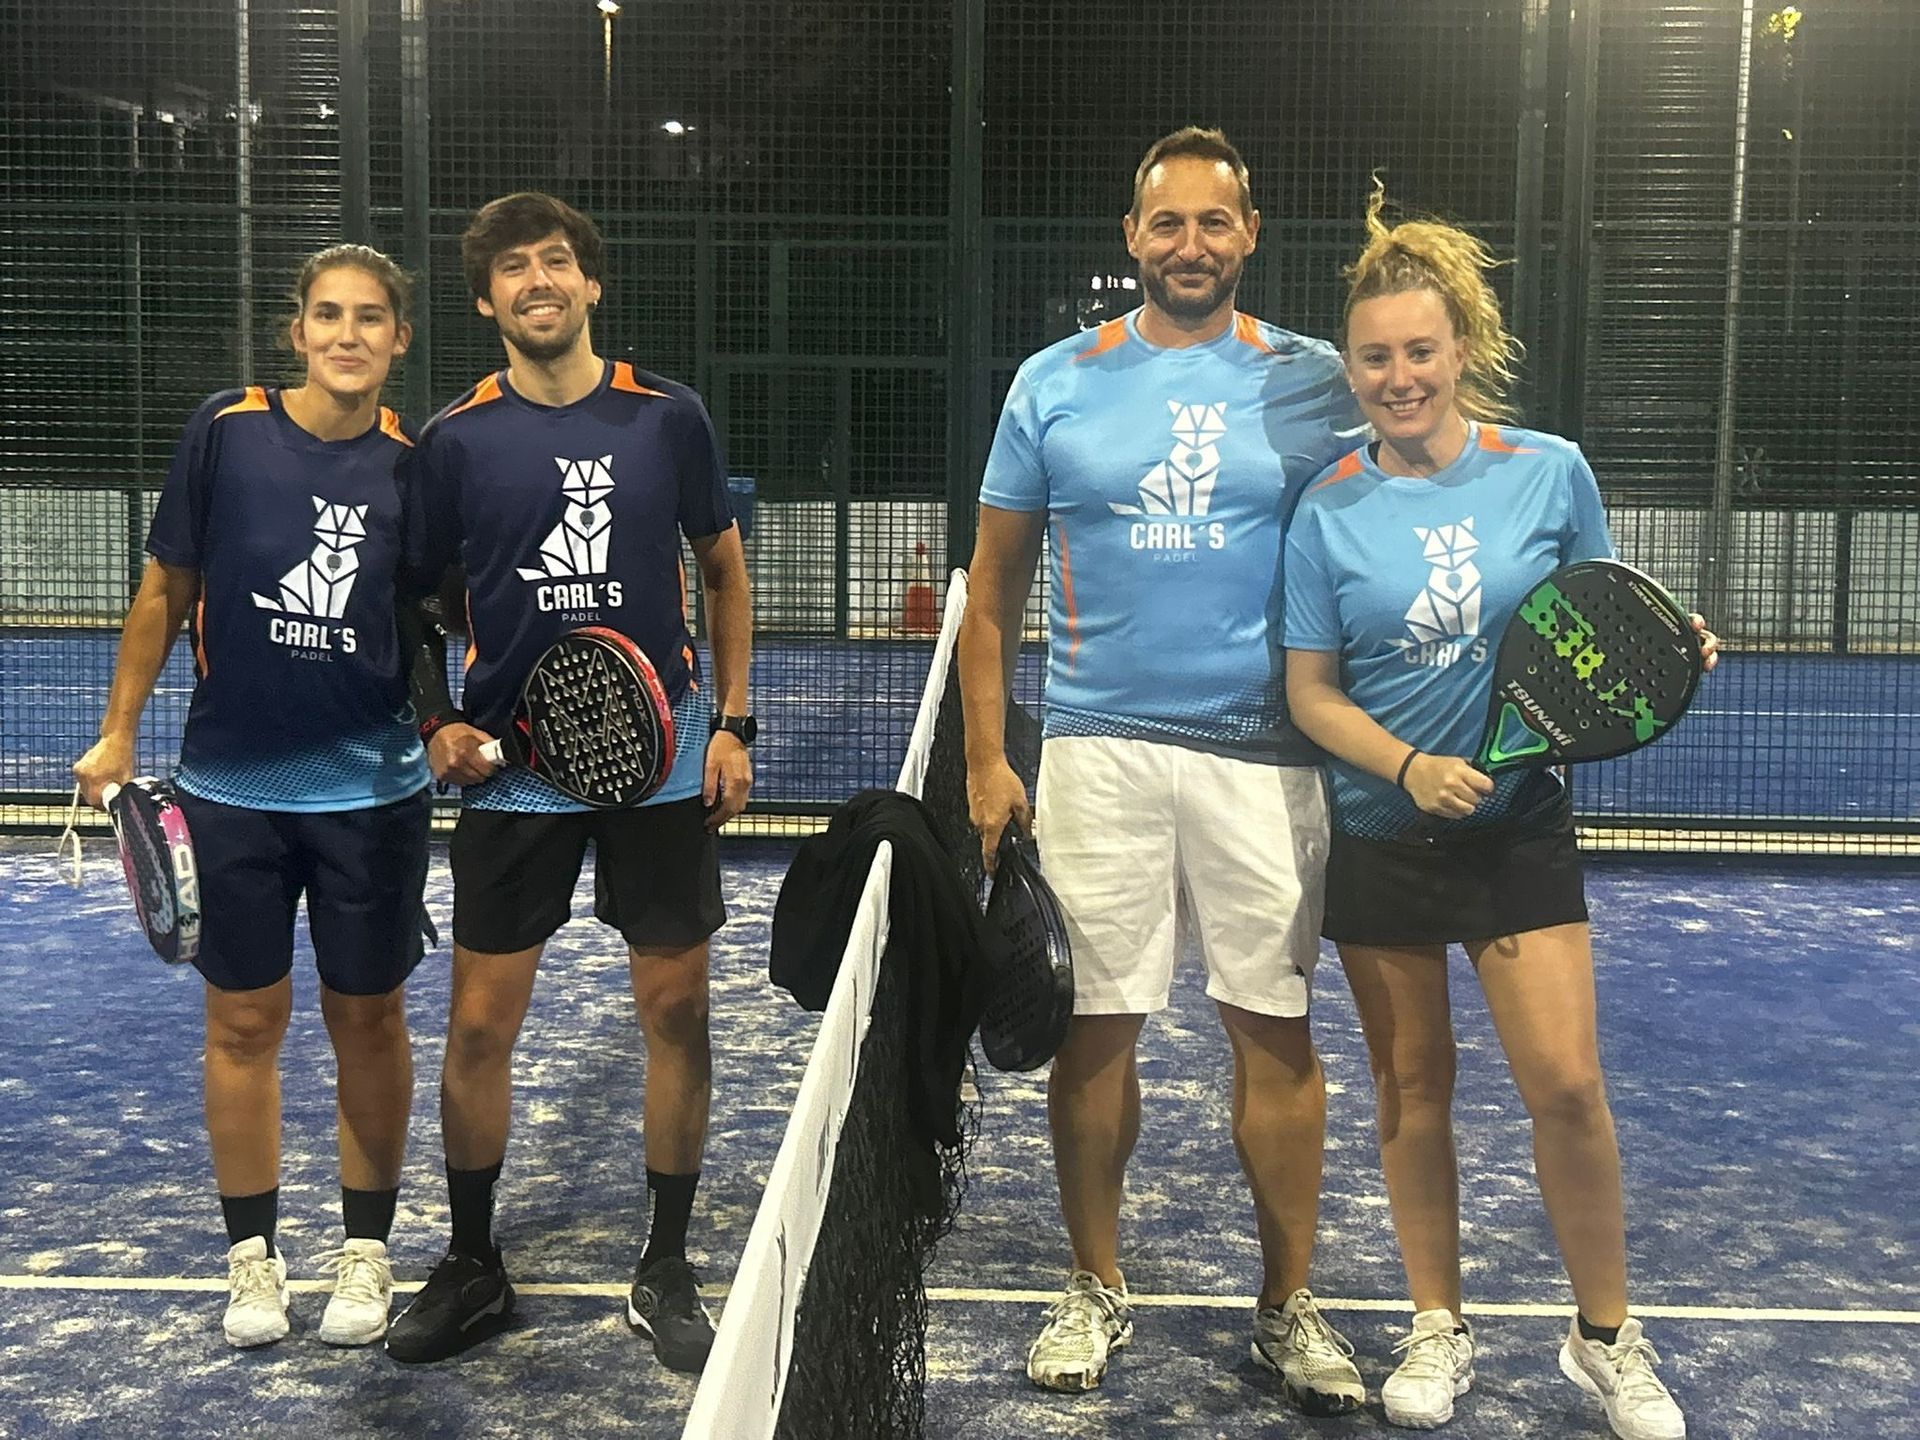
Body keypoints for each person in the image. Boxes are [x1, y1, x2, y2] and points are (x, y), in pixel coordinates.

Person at [1282, 185, 1718, 1439]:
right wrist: (1410, 765)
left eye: (1421, 351)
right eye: (1376, 357)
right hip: (1382, 833)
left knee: (1568, 1086)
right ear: (1351, 367)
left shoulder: (1552, 474)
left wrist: (1669, 646)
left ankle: (1605, 1342)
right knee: (1413, 1091)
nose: (1399, 376)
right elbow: (1311, 694)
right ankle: (1439, 1325)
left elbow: (1603, 615)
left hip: (1520, 828)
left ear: (1461, 349)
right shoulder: (1327, 509)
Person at [959, 127, 1368, 1413]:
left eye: (1216, 222)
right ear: (1132, 239)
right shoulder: (1053, 383)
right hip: (1098, 754)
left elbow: (1421, 504)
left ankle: (1288, 1306)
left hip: (1269, 760)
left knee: (1275, 1033)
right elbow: (991, 592)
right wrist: (988, 755)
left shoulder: (1319, 380)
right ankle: (1095, 1283)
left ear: (1248, 237)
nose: (1191, 244)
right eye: (1167, 223)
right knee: (1094, 1034)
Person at [383, 192, 754, 1372]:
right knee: (482, 1026)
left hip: (659, 763)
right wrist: (436, 721)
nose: (537, 281)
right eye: (512, 269)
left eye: (556, 262)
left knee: (677, 1014)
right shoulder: (453, 441)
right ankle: (473, 1261)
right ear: (486, 299)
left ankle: (666, 1262)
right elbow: (412, 602)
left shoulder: (667, 417)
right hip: (515, 773)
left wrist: (733, 725)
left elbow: (725, 575)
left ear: (592, 285)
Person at [71, 245, 433, 1350]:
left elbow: (435, 620)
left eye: (370, 318)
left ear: (399, 340)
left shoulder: (418, 468)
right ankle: (254, 1261)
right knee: (241, 1022)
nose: (348, 335)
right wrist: (119, 726)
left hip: (372, 794)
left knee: (367, 1019)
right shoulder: (224, 430)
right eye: (328, 314)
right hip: (228, 788)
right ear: (297, 332)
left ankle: (365, 1254)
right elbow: (167, 584)